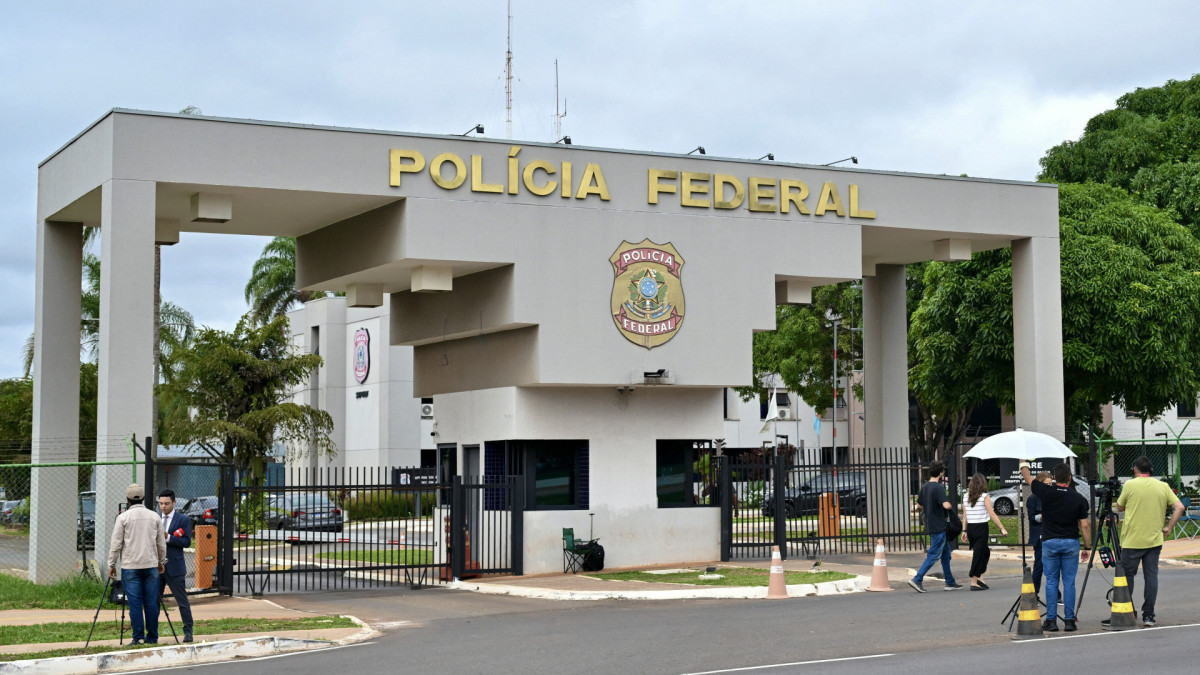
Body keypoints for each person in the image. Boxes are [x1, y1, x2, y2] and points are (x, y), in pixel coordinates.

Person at [1111, 456, 1185, 627]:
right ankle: (1149, 614)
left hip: (1132, 540)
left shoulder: (1130, 485)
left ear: (1135, 469)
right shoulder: (1163, 486)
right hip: (1154, 539)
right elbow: (1179, 507)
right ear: (1150, 470)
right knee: (1151, 576)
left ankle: (1128, 611)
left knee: (1127, 576)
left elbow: (1120, 507)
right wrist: (1168, 527)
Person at [1021, 461, 1089, 632]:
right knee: (1069, 582)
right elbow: (1085, 525)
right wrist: (1087, 546)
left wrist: (1023, 463)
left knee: (1051, 581)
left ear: (1055, 478)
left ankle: (1051, 620)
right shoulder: (1078, 498)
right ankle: (1069, 620)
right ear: (1070, 478)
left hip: (1049, 541)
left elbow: (1028, 478)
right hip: (1070, 541)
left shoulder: (1046, 492)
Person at [107, 484, 167, 645]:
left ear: (127, 500)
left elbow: (116, 544)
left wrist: (111, 564)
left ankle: (138, 637)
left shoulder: (123, 518)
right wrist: (161, 561)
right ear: (143, 498)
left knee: (135, 603)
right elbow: (161, 543)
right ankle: (152, 637)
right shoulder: (154, 516)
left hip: (130, 566)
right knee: (151, 602)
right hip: (150, 565)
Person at [908, 461, 963, 593]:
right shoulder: (939, 488)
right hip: (939, 525)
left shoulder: (925, 487)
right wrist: (949, 504)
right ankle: (917, 579)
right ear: (940, 473)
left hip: (931, 524)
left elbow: (919, 505)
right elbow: (946, 505)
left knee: (945, 555)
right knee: (933, 555)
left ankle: (950, 582)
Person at [158, 489, 194, 642]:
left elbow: (186, 542)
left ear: (174, 502)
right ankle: (152, 632)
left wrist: (169, 537)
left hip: (175, 566)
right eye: (160, 504)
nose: (163, 507)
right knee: (153, 600)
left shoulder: (182, 519)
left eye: (166, 503)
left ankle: (188, 631)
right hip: (157, 566)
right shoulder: (155, 518)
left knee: (182, 600)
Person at [960, 473, 1007, 590]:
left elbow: (965, 515)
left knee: (985, 552)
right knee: (978, 555)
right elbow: (991, 513)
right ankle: (974, 581)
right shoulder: (985, 496)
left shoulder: (966, 496)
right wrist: (1002, 527)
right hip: (981, 528)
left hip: (971, 528)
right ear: (983, 484)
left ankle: (980, 577)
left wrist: (964, 530)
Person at [1026, 471, 1052, 596]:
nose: (1049, 487)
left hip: (1052, 533)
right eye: (1047, 484)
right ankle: (1034, 593)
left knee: (1052, 567)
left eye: (1051, 484)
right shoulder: (1033, 499)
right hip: (1040, 534)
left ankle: (1055, 594)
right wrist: (1043, 516)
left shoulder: (1053, 496)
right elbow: (1031, 518)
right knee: (1040, 565)